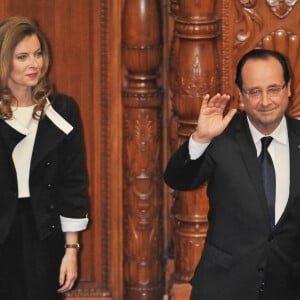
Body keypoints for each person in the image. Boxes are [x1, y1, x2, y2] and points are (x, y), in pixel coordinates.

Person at [164, 48, 300, 300]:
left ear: (288, 89)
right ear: (241, 94)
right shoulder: (220, 137)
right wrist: (200, 138)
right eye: (254, 91)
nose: (265, 100)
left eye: (274, 89)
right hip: (224, 286)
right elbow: (178, 179)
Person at [0, 16, 89, 300]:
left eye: (38, 54)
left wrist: (71, 251)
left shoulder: (62, 110)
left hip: (43, 233)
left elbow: (73, 184)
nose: (33, 64)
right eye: (22, 56)